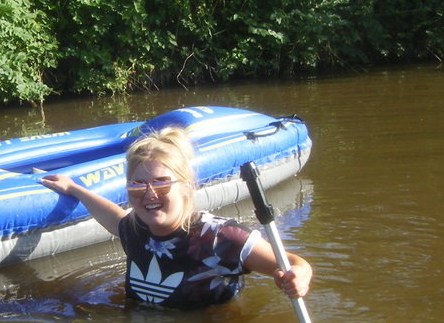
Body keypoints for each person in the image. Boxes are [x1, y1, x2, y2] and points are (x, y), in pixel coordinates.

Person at [40, 126, 312, 310]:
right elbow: (113, 217)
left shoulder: (218, 237)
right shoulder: (136, 228)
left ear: (185, 187)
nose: (149, 194)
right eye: (138, 185)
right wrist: (74, 189)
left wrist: (298, 276)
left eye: (161, 183)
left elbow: (293, 263)